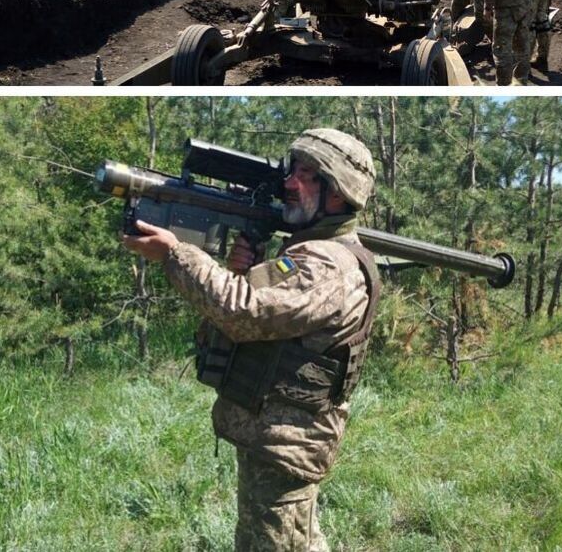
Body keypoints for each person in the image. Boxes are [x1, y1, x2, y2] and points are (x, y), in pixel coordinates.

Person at [120, 128, 381, 552]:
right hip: (276, 438)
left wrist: (175, 253)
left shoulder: (329, 265)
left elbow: (243, 312)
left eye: (307, 174)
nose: (290, 183)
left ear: (339, 192)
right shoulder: (306, 254)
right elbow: (260, 309)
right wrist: (243, 270)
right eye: (291, 170)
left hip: (287, 443)